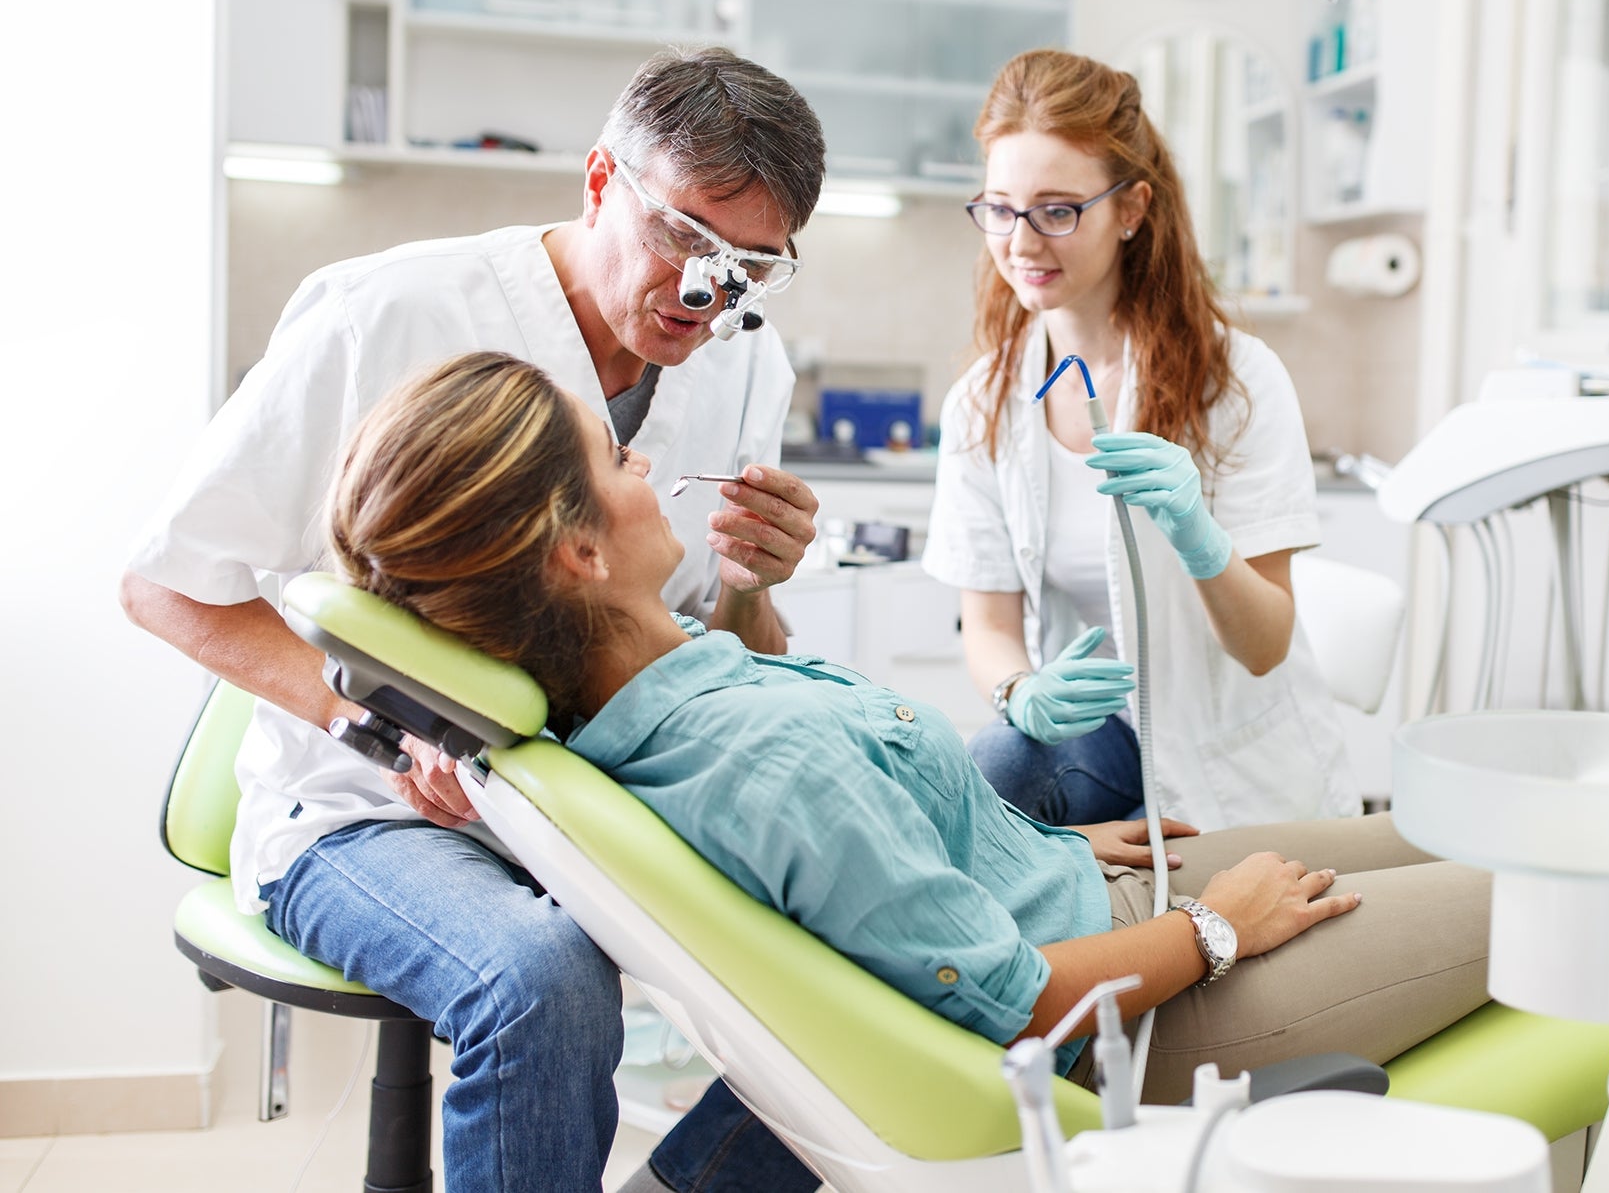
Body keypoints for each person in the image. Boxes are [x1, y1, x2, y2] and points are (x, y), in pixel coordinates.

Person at [328, 351, 1492, 1117]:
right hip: (1127, 1008)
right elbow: (1025, 1005)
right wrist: (1213, 926)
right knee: (1552, 897)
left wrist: (1032, 847)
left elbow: (875, 875)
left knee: (1459, 832)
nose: (647, 468)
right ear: (576, 555)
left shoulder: (663, 707)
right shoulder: (757, 761)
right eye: (618, 457)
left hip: (1071, 897)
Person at [122, 48, 825, 1193]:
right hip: (365, 815)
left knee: (874, 932)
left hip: (599, 811)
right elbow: (166, 584)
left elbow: (713, 647)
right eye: (684, 240)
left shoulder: (747, 366)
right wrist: (384, 733)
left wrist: (753, 580)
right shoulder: (388, 312)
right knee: (539, 976)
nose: (707, 292)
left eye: (749, 266)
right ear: (601, 178)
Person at [923, 49, 1355, 829]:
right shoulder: (981, 403)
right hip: (1099, 747)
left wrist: (1200, 538)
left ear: (1131, 209)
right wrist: (1022, 691)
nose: (1020, 242)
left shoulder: (1239, 381)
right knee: (994, 766)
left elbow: (1264, 646)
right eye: (1000, 207)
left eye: (1057, 210)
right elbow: (987, 626)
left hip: (1229, 758)